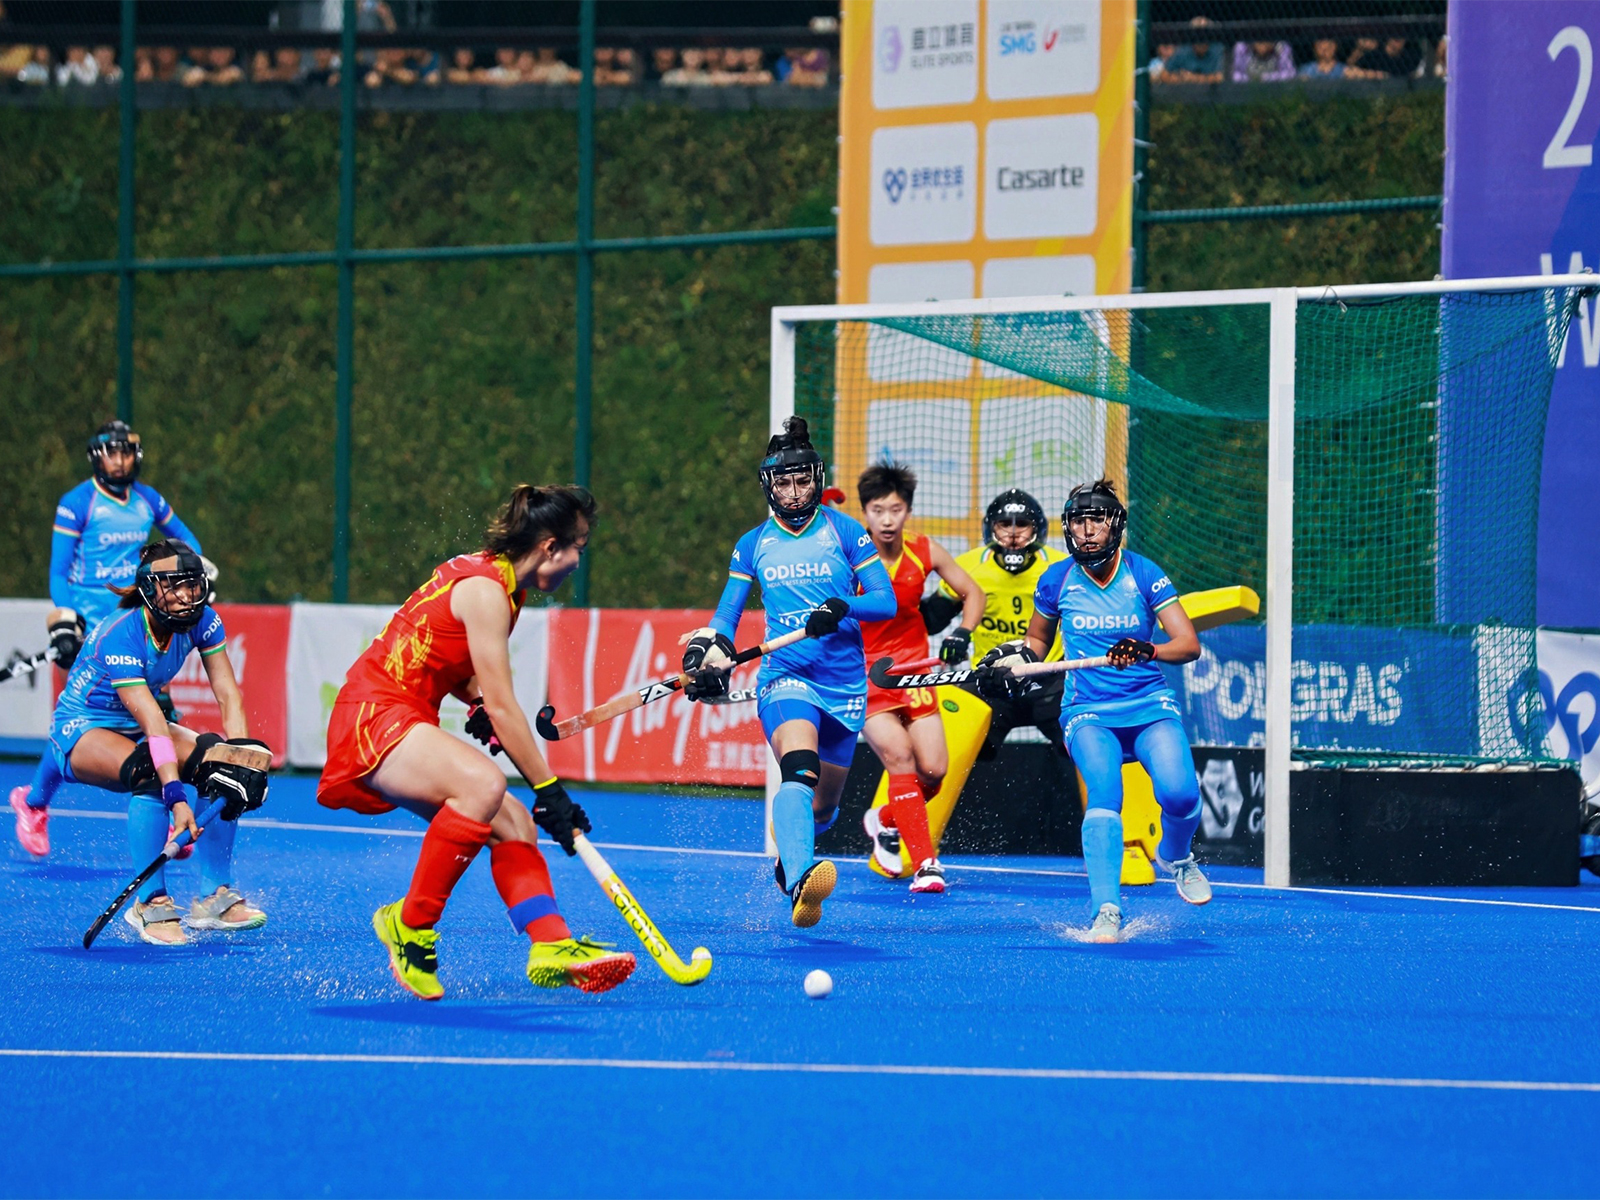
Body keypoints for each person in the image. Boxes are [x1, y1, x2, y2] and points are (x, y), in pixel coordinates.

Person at [317, 484, 634, 1001]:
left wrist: (475, 703)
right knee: (485, 786)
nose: (579, 559)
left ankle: (550, 943)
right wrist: (550, 788)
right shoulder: (488, 590)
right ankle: (410, 924)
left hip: (398, 712)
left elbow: (452, 664)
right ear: (550, 546)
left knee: (513, 824)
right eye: (577, 546)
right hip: (373, 714)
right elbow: (505, 704)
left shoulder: (504, 585)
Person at [679, 417, 895, 927]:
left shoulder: (845, 531)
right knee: (798, 769)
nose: (794, 492)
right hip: (786, 676)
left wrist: (842, 606)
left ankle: (793, 857)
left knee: (824, 809)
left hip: (843, 686)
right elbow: (727, 617)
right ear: (769, 486)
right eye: (784, 483)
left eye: (802, 481)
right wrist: (706, 652)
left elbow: (884, 602)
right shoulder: (753, 544)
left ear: (816, 480)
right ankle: (800, 876)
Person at [15, 540, 269, 944]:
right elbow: (153, 721)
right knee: (150, 770)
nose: (188, 595)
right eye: (176, 586)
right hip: (83, 726)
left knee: (221, 765)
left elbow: (227, 692)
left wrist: (240, 756)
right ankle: (150, 902)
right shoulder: (123, 635)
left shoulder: (204, 619)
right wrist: (176, 798)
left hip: (138, 722)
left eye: (192, 585)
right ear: (150, 591)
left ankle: (214, 895)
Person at [994, 480, 1207, 944]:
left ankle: (1176, 856)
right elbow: (1037, 644)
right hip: (1088, 709)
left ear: (1116, 527)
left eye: (1096, 521)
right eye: (1078, 522)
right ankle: (1107, 910)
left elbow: (1188, 646)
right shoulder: (1056, 579)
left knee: (1181, 796)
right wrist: (1015, 658)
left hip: (1148, 703)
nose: (1086, 531)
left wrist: (1147, 649)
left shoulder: (1144, 574)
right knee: (1105, 796)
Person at [10, 421, 212, 853]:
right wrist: (66, 620)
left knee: (158, 710)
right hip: (93, 628)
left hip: (138, 618)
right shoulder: (77, 502)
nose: (119, 461)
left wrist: (195, 570)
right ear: (97, 457)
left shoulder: (147, 499)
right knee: (82, 720)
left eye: (126, 452)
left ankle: (169, 806)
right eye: (111, 453)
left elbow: (187, 542)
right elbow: (59, 572)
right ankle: (33, 803)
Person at [853, 462, 983, 892]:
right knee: (900, 757)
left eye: (895, 509)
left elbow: (973, 592)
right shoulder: (848, 558)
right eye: (877, 510)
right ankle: (927, 864)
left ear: (907, 510)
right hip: (867, 676)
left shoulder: (924, 551)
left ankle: (884, 820)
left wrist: (962, 633)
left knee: (934, 770)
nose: (887, 520)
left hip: (915, 673)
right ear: (865, 513)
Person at [922, 489, 1070, 755]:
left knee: (1080, 741)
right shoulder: (969, 566)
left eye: (1022, 524)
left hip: (1051, 682)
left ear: (1038, 529)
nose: (1013, 534)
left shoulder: (1061, 568)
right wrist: (955, 639)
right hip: (991, 681)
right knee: (956, 747)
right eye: (1004, 525)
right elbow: (931, 621)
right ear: (991, 528)